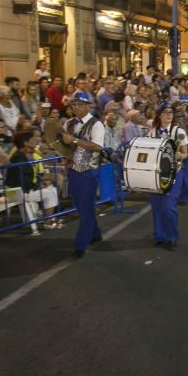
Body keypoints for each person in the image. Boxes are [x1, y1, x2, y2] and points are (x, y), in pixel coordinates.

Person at [59, 96, 105, 258]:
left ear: (88, 106)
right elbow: (65, 145)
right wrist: (66, 155)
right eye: (74, 105)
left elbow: (98, 147)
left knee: (85, 207)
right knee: (81, 205)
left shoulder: (96, 124)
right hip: (73, 170)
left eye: (80, 105)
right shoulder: (68, 123)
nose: (76, 108)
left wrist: (75, 140)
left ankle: (81, 244)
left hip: (89, 170)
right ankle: (95, 233)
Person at [147, 105, 188, 248]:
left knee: (168, 207)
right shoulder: (152, 133)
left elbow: (185, 153)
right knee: (156, 206)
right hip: (156, 175)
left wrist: (180, 155)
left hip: (174, 174)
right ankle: (159, 235)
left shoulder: (179, 131)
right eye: (165, 112)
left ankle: (172, 236)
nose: (169, 115)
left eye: (171, 112)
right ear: (159, 115)